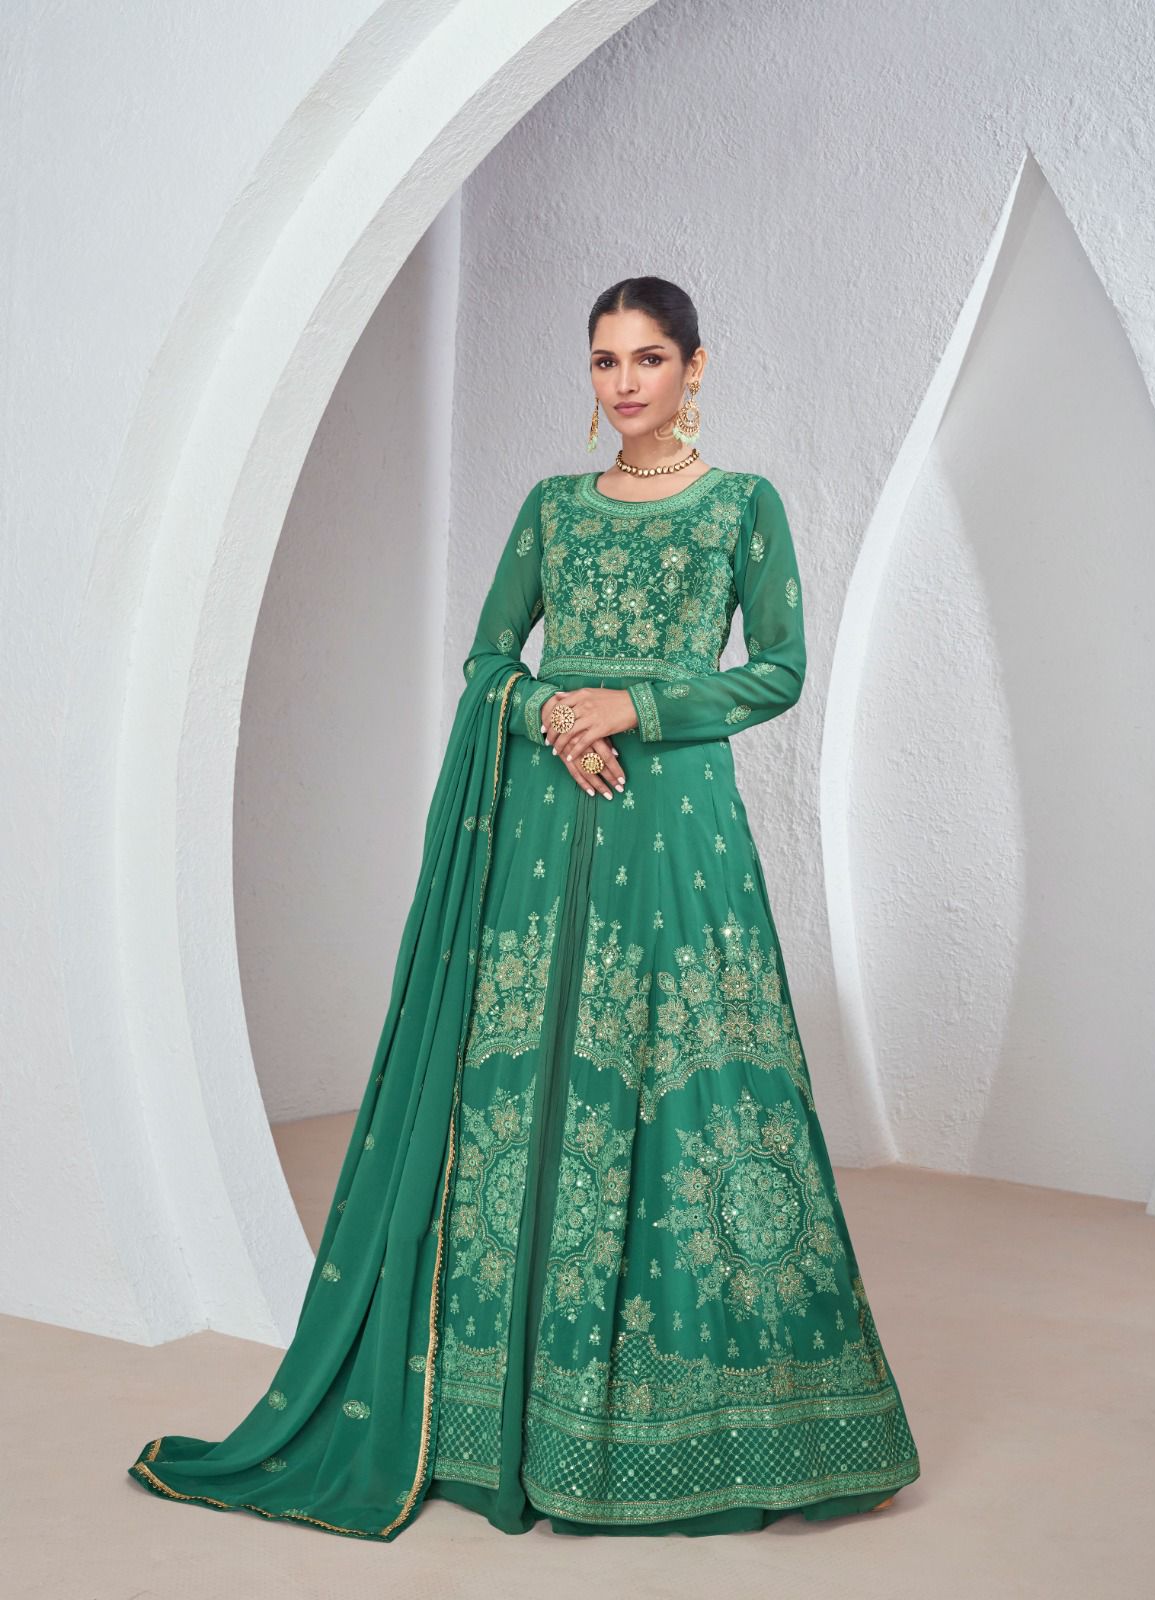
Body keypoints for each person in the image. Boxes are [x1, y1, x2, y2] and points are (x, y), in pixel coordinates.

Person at [128, 275, 921, 1539]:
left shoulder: (742, 506)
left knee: (698, 1082)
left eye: (648, 358)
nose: (624, 382)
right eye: (605, 360)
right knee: (533, 1091)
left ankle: (717, 1419)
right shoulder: (553, 508)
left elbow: (778, 670)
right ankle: (503, 1416)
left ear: (696, 367)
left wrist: (637, 705)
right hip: (548, 824)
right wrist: (552, 708)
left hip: (677, 824)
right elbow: (491, 657)